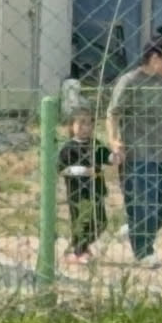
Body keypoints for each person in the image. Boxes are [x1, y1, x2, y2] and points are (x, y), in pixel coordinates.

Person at [107, 34, 162, 264]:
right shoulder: (130, 81)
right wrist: (114, 140)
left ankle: (137, 228)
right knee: (143, 203)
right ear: (154, 58)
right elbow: (113, 113)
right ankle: (144, 250)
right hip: (139, 153)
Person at [59, 110, 114, 262]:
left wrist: (115, 156)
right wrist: (83, 170)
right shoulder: (69, 147)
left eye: (90, 123)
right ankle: (79, 251)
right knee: (82, 222)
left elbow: (107, 156)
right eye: (81, 123)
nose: (86, 127)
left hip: (96, 191)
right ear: (72, 126)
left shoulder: (96, 144)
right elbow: (62, 169)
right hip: (78, 193)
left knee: (101, 222)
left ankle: (78, 246)